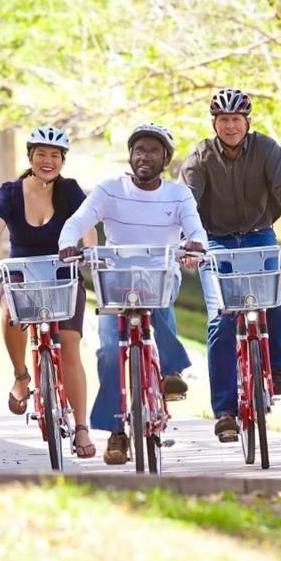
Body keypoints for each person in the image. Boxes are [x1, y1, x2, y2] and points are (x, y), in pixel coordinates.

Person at [58, 122, 207, 465]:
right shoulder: (110, 190)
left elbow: (195, 229)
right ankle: (116, 433)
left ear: (166, 159)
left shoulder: (178, 194)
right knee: (110, 351)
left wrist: (194, 246)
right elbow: (77, 221)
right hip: (117, 281)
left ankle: (171, 372)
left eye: (153, 151)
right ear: (130, 156)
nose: (144, 156)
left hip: (159, 276)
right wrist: (68, 244)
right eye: (139, 150)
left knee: (162, 302)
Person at [179, 87, 281, 443]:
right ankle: (224, 411)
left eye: (236, 119)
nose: (230, 126)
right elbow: (185, 203)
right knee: (220, 319)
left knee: (276, 301)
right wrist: (189, 244)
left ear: (247, 122)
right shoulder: (201, 156)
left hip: (259, 236)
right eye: (223, 120)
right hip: (215, 242)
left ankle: (277, 367)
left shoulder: (266, 149)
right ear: (215, 123)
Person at [0, 125, 97, 458]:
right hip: (22, 274)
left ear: (62, 161)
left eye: (55, 156)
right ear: (30, 157)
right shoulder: (10, 192)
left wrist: (90, 252)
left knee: (70, 344)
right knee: (9, 313)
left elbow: (88, 229)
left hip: (62, 274)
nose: (47, 161)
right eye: (41, 154)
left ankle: (82, 428)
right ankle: (21, 376)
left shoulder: (70, 191)